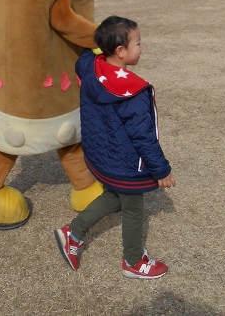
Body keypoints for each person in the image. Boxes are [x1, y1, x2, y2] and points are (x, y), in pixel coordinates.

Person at [54, 15, 176, 279]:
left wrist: (98, 44)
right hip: (124, 163)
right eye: (138, 43)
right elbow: (144, 137)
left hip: (100, 156)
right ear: (120, 51)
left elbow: (84, 56)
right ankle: (133, 261)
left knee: (113, 195)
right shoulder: (133, 91)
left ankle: (72, 232)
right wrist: (161, 170)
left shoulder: (90, 66)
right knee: (133, 208)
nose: (142, 48)